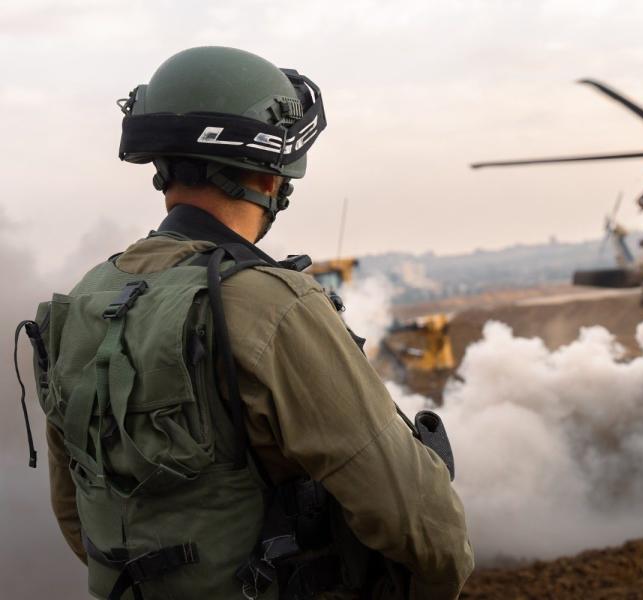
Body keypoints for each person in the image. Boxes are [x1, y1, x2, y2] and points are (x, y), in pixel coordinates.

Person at [26, 46, 473, 600]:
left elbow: (76, 514)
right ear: (269, 175)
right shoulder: (270, 304)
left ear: (163, 167)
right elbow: (419, 521)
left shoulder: (83, 302)